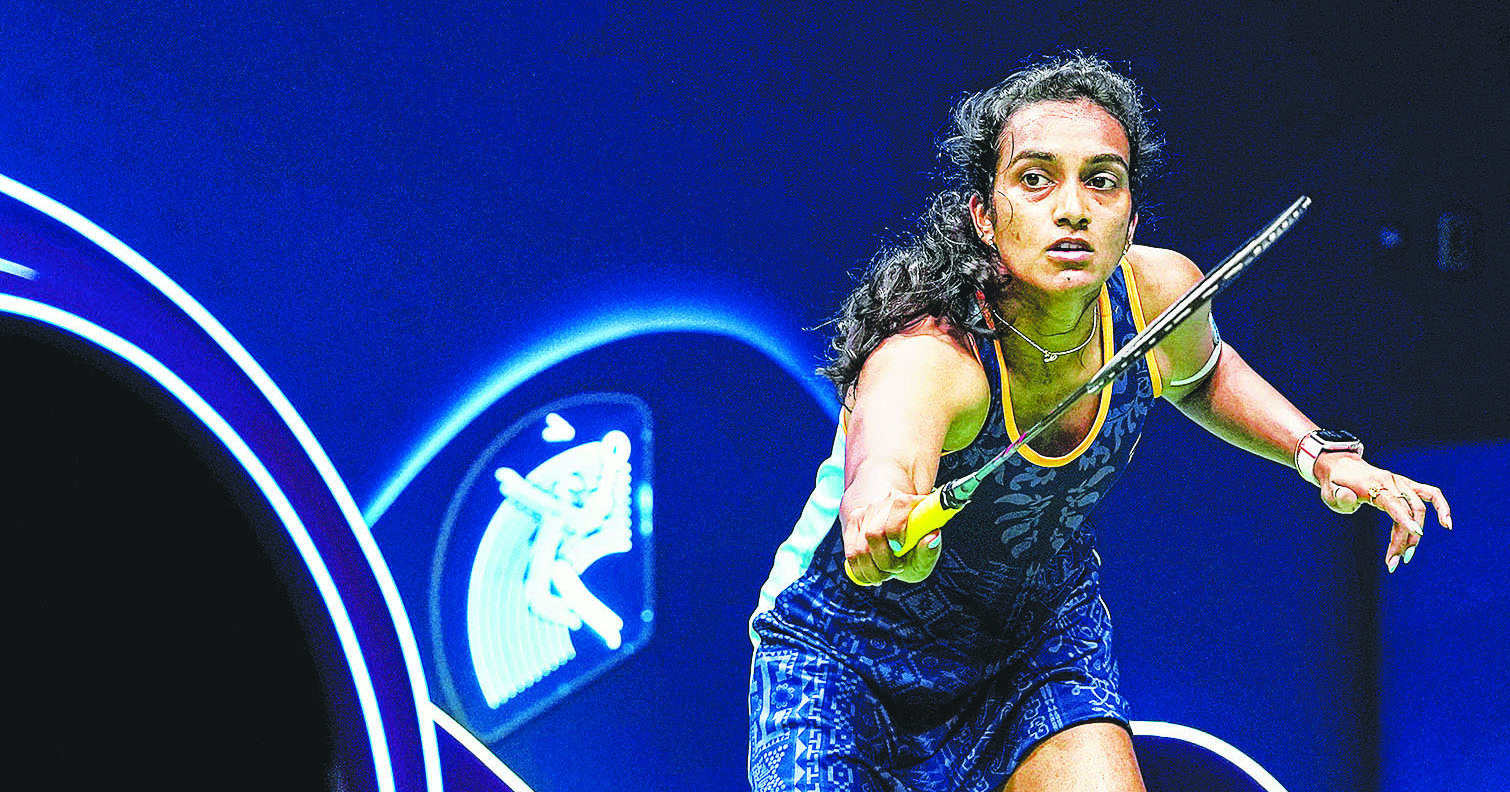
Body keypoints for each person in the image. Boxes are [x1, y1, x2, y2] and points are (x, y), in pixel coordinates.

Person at [746, 53, 1450, 792]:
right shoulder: (934, 354)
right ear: (984, 216)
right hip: (850, 657)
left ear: (1131, 217)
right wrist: (881, 521)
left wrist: (1320, 454)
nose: (1074, 208)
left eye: (1103, 180)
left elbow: (1205, 373)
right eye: (1036, 179)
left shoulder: (1157, 298)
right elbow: (885, 466)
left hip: (1034, 638)